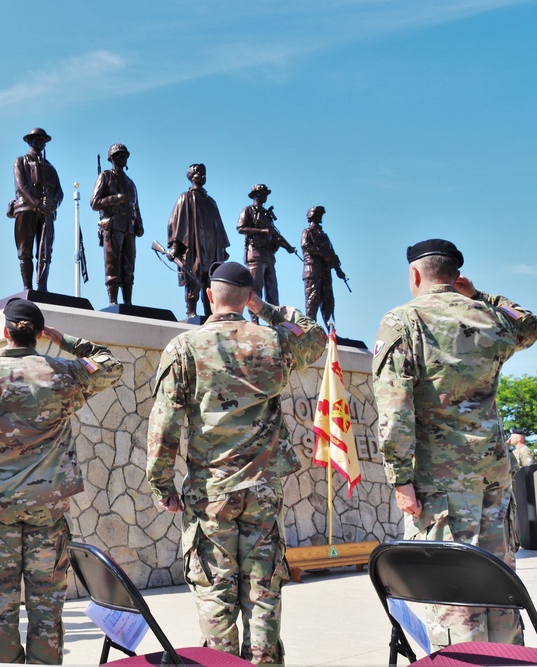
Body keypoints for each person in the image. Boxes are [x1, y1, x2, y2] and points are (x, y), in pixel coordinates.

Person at [146, 262, 325, 665]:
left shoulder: (185, 348)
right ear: (247, 297)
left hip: (211, 494)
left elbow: (164, 426)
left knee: (215, 592)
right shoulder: (274, 342)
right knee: (263, 593)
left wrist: (162, 486)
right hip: (262, 491)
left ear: (210, 295)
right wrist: (266, 310)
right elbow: (315, 337)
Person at [372, 239, 537, 650]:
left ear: (415, 274)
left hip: (440, 482)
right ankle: (507, 660)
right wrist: (480, 295)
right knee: (498, 585)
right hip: (493, 478)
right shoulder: (488, 317)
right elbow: (530, 324)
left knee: (451, 593)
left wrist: (400, 478)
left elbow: (394, 408)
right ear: (455, 276)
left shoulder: (403, 320)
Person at [0, 298, 122, 664]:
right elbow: (110, 364)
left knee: (1, 610)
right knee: (46, 610)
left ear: (4, 332)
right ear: (41, 335)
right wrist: (69, 342)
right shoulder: (63, 373)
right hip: (47, 510)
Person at [167, 163, 230, 320]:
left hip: (211, 248)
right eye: (198, 173)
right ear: (190, 177)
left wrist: (222, 248)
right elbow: (176, 223)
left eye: (204, 173)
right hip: (194, 247)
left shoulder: (211, 203)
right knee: (194, 279)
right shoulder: (186, 198)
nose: (202, 176)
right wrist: (175, 246)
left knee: (210, 281)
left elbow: (219, 227)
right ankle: (191, 311)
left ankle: (210, 312)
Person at [91, 143, 143, 305]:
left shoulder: (130, 183)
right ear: (112, 158)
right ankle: (113, 301)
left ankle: (128, 302)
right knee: (112, 264)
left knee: (129, 265)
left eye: (125, 156)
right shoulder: (105, 177)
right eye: (120, 156)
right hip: (113, 224)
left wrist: (139, 223)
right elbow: (94, 203)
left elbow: (136, 206)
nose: (123, 158)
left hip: (129, 226)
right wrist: (115, 198)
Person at [12, 128, 63, 292]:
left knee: (45, 252)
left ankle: (42, 287)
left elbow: (60, 193)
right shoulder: (21, 161)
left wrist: (52, 203)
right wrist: (37, 204)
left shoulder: (50, 168)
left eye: (42, 139)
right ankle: (27, 287)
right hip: (27, 210)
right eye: (36, 139)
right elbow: (22, 187)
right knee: (25, 251)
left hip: (46, 213)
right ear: (29, 141)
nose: (40, 142)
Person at [236, 184, 295, 306]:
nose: (264, 196)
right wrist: (261, 231)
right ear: (255, 195)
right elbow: (240, 228)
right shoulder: (248, 210)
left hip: (268, 255)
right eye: (261, 194)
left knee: (272, 290)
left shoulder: (267, 215)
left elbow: (275, 235)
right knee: (255, 288)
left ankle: (275, 320)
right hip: (255, 254)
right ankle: (254, 319)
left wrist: (288, 247)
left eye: (265, 194)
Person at [300, 206, 346, 327]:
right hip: (313, 271)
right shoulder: (307, 232)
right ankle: (310, 330)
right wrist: (322, 252)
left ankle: (331, 331)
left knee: (328, 301)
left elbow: (332, 255)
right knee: (313, 300)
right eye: (317, 215)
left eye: (320, 215)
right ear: (312, 217)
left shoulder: (324, 236)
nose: (319, 218)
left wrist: (339, 270)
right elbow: (306, 246)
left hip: (325, 272)